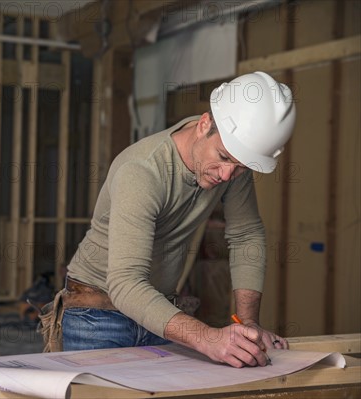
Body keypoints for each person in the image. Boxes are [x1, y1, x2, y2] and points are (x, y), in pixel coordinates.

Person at [56, 71, 296, 368]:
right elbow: (125, 283)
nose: (226, 176)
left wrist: (248, 325)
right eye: (222, 157)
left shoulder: (232, 166)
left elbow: (247, 234)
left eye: (241, 167)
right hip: (98, 312)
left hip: (159, 308)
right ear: (204, 124)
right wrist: (208, 338)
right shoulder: (142, 171)